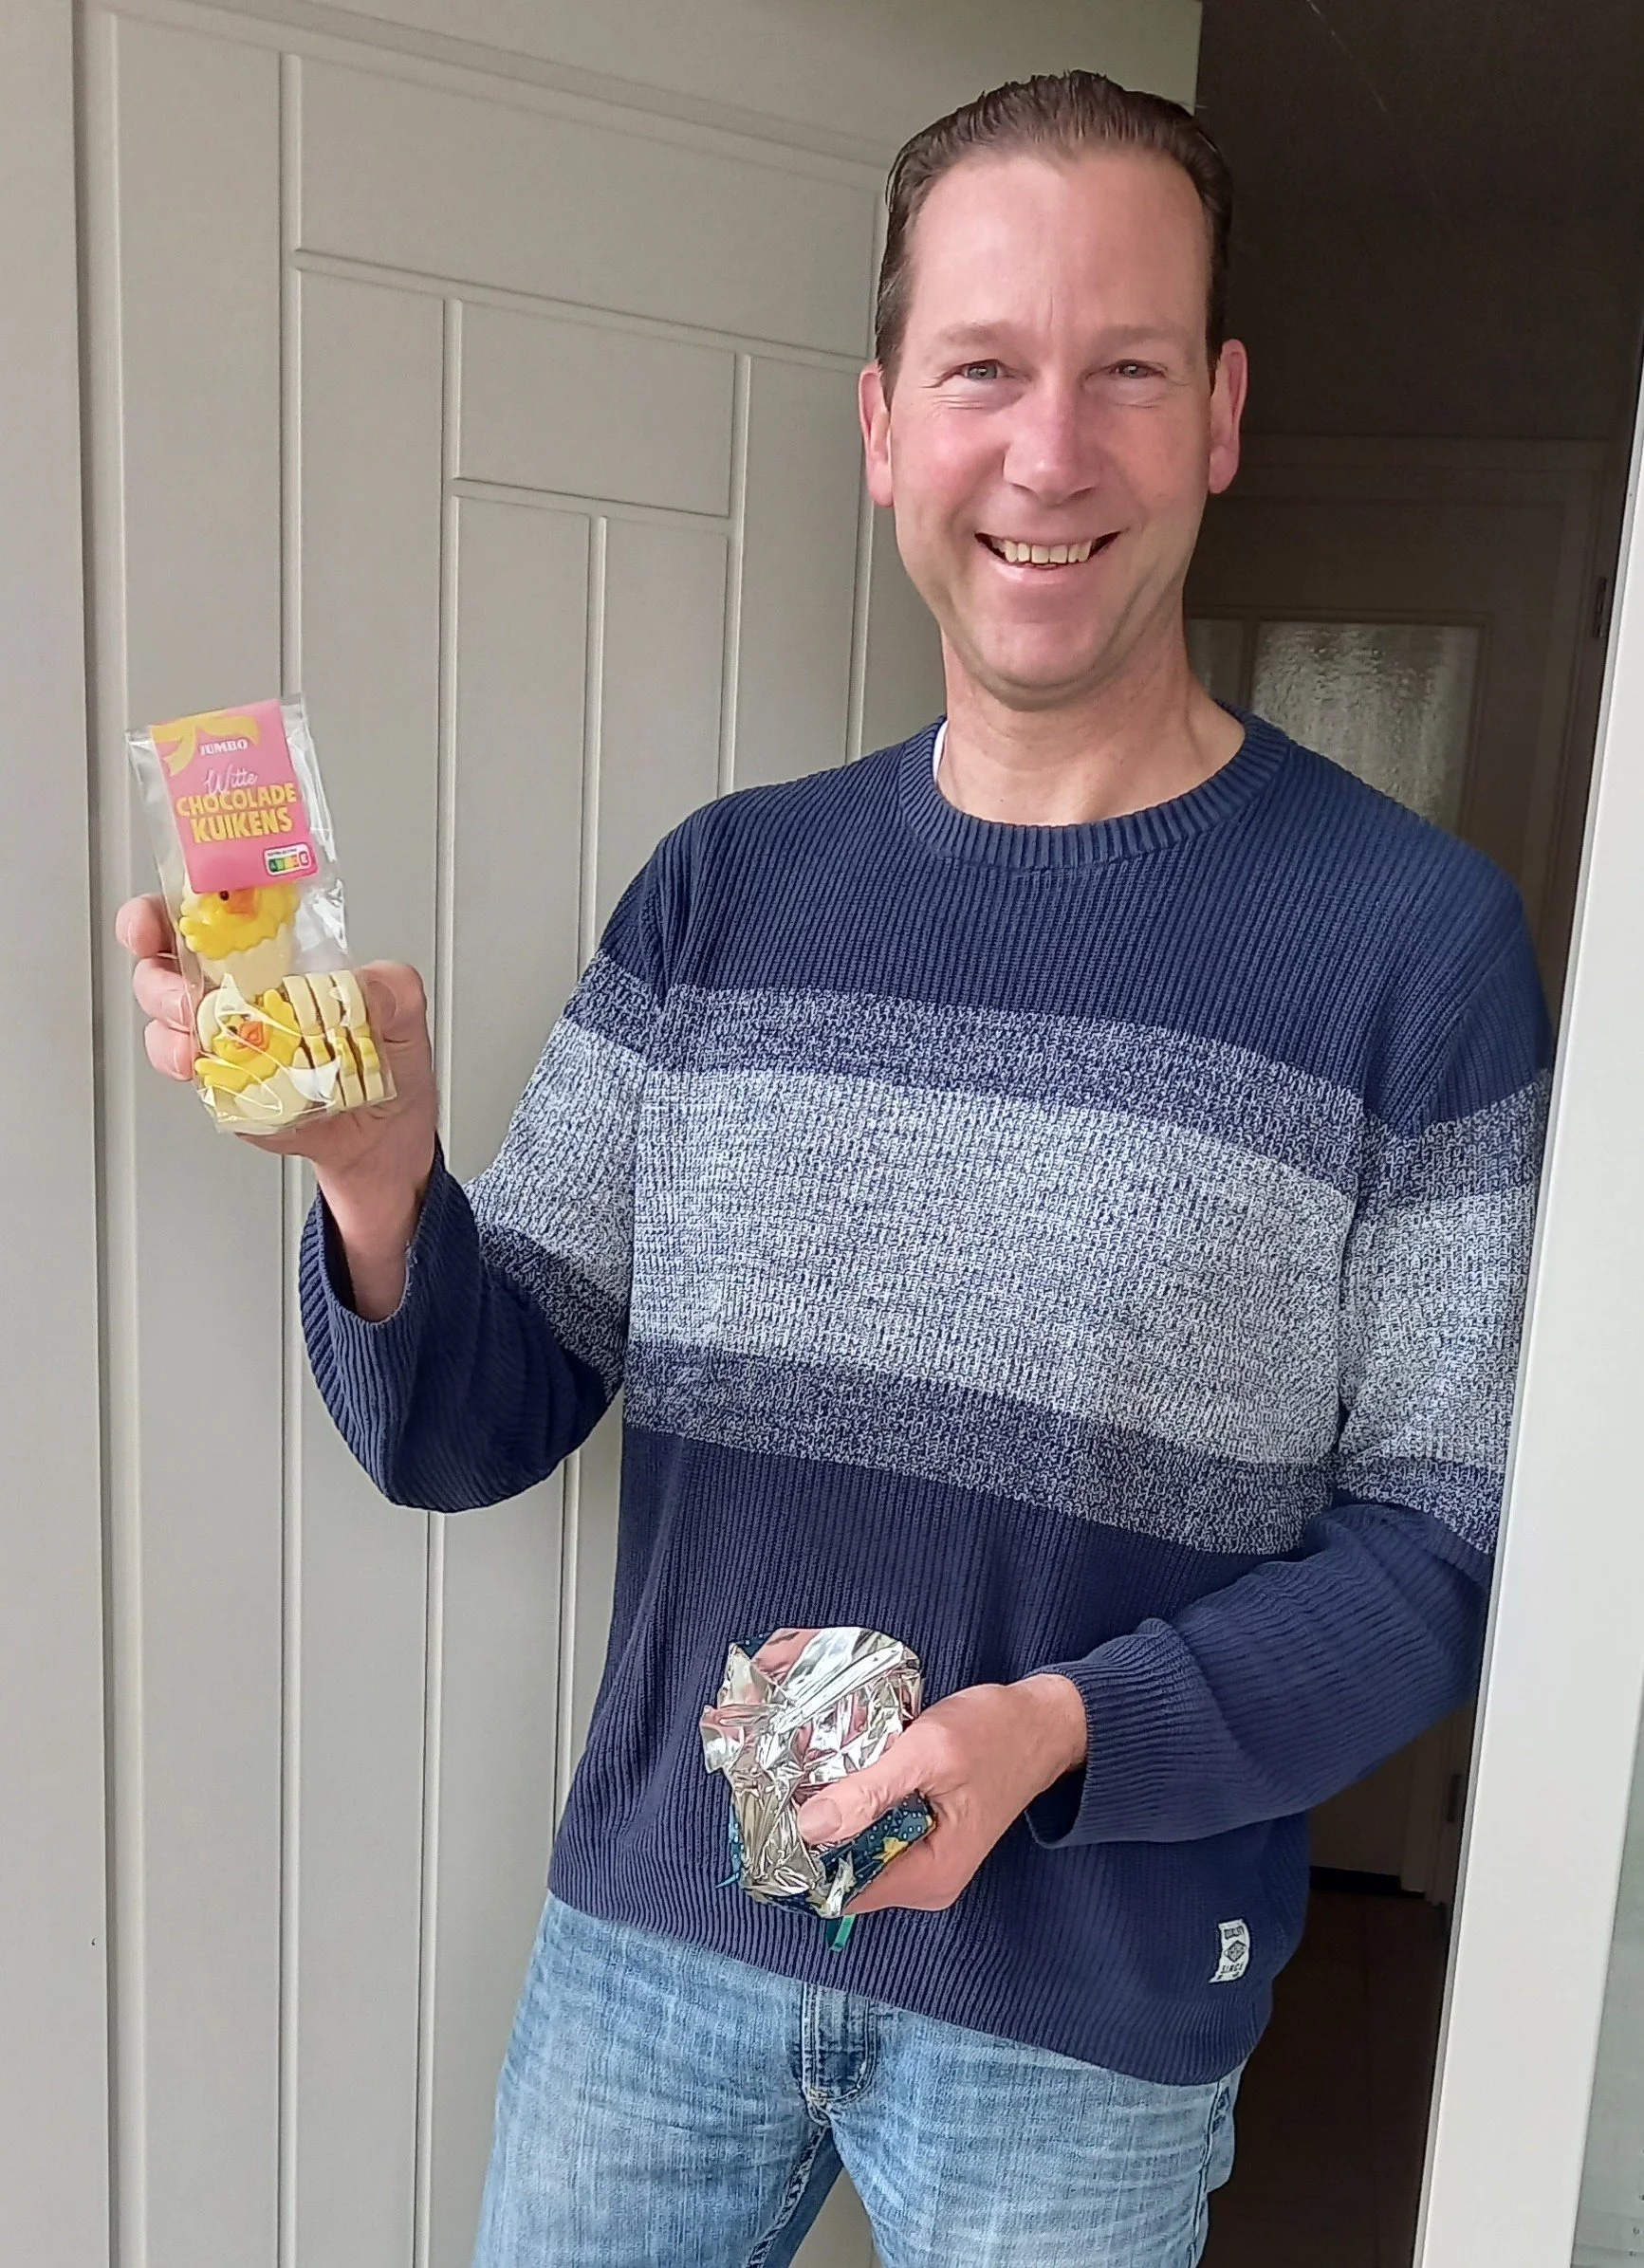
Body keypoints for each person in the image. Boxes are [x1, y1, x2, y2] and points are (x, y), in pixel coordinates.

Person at [119, 69, 1548, 2268]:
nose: (1046, 454)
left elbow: (1439, 1550)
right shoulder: (723, 893)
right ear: (883, 427)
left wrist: (1059, 1732)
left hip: (1083, 2016)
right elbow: (471, 1426)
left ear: (1218, 415)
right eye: (980, 371)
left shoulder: (1413, 949)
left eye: (1123, 371)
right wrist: (382, 1183)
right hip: (658, 1955)